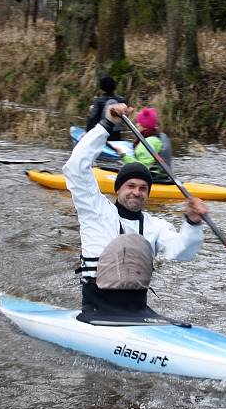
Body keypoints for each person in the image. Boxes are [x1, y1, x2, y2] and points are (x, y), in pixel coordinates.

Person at [63, 102, 209, 322]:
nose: (136, 192)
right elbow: (75, 167)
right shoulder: (96, 210)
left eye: (143, 188)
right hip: (97, 311)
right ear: (119, 189)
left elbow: (182, 252)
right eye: (130, 186)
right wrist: (106, 124)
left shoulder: (155, 226)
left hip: (139, 313)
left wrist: (193, 222)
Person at [115, 107, 173, 177]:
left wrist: (123, 155)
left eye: (139, 122)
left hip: (153, 178)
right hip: (154, 174)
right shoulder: (154, 137)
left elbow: (141, 167)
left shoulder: (149, 142)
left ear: (145, 125)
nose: (137, 124)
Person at [85, 76, 126, 141]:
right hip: (116, 136)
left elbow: (92, 118)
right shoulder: (121, 100)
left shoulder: (98, 101)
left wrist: (87, 133)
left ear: (101, 87)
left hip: (102, 135)